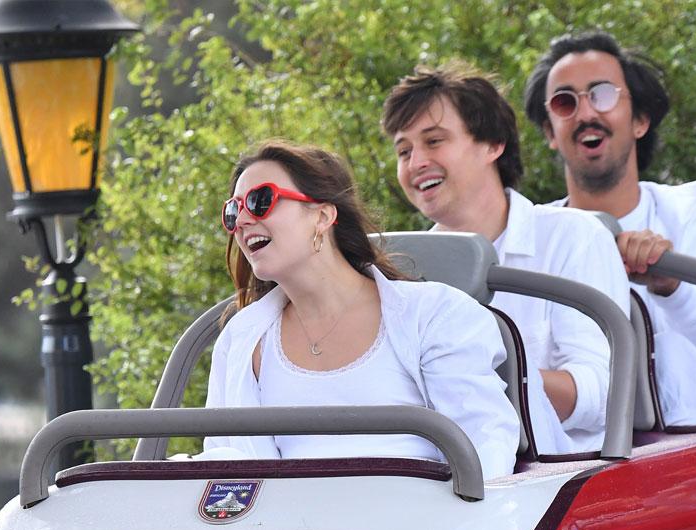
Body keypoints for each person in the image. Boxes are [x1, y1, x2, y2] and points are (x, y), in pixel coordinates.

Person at [382, 64, 696, 447]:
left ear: (492, 144)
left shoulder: (573, 236)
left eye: (434, 141)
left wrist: (484, 378)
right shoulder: (402, 270)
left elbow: (598, 393)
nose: (416, 163)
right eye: (404, 151)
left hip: (562, 476)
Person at [202, 140, 520, 480]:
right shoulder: (241, 340)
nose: (243, 222)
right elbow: (225, 470)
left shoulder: (434, 315)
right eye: (233, 212)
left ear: (322, 215)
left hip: (422, 523)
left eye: (260, 201)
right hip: (286, 527)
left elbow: (484, 450)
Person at [524, 30, 696, 419]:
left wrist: (673, 286)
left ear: (640, 120)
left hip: (695, 454)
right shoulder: (533, 237)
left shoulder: (694, 216)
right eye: (564, 102)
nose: (587, 114)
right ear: (549, 133)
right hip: (575, 463)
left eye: (603, 94)